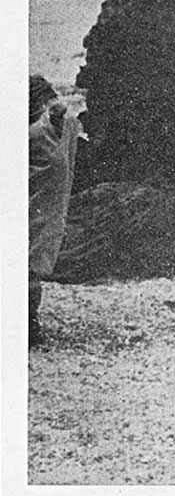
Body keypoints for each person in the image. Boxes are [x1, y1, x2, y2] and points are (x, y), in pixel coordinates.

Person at [29, 75, 81, 347]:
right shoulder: (68, 124)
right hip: (52, 203)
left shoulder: (35, 134)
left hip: (36, 201)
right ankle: (30, 325)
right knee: (34, 262)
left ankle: (27, 326)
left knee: (27, 263)